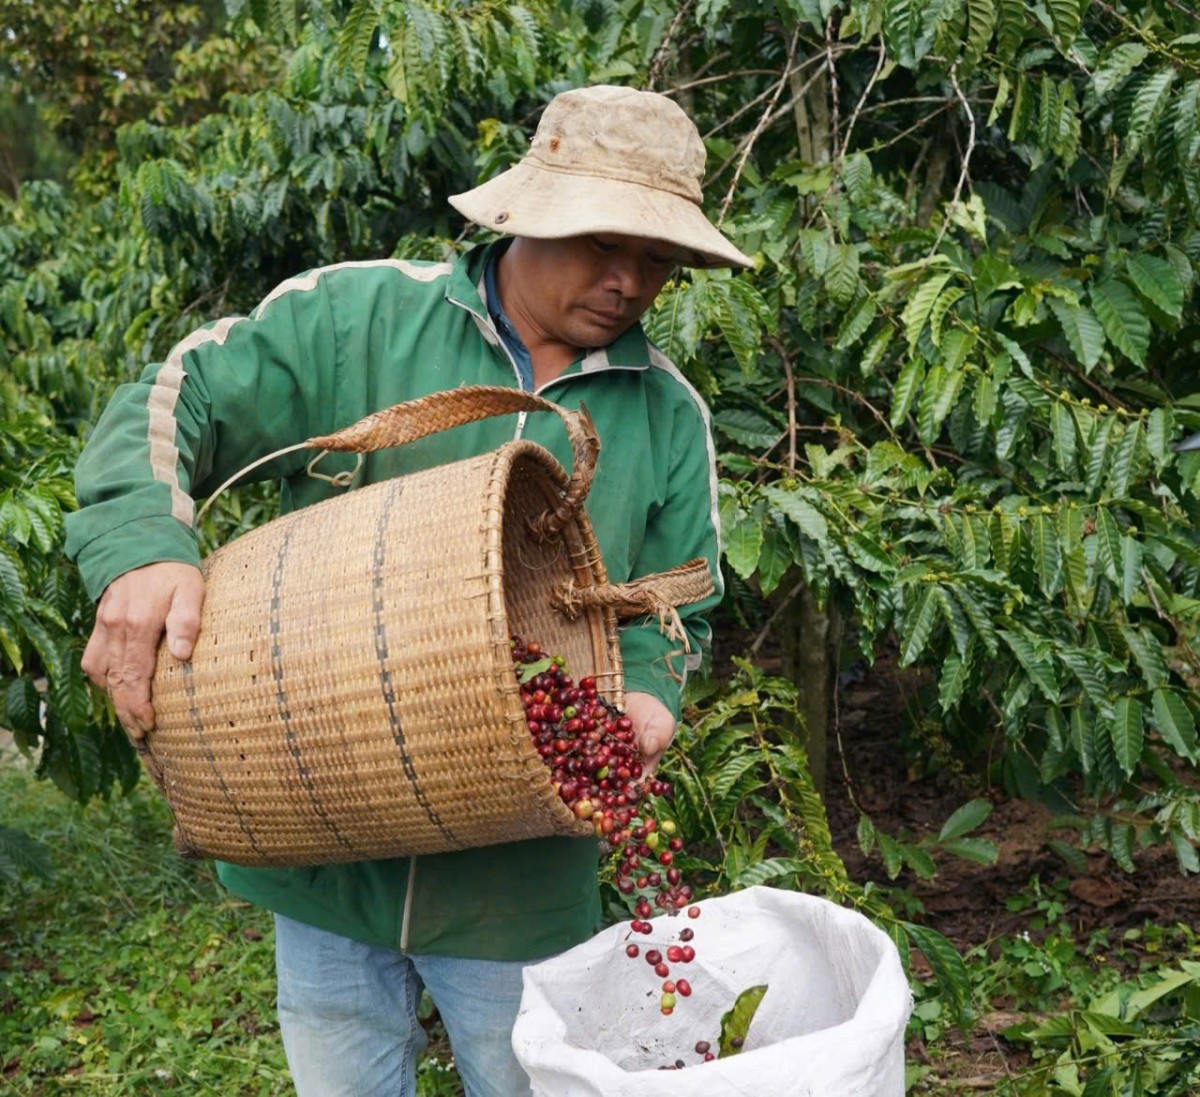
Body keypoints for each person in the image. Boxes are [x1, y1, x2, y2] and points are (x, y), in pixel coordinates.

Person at [65, 84, 752, 1096]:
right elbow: (182, 394)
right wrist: (142, 543)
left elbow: (673, 602)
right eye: (604, 241)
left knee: (522, 1076)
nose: (629, 280)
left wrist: (646, 691)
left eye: (658, 258)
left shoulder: (665, 415)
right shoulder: (359, 316)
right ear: (528, 212)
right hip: (326, 841)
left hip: (518, 883)